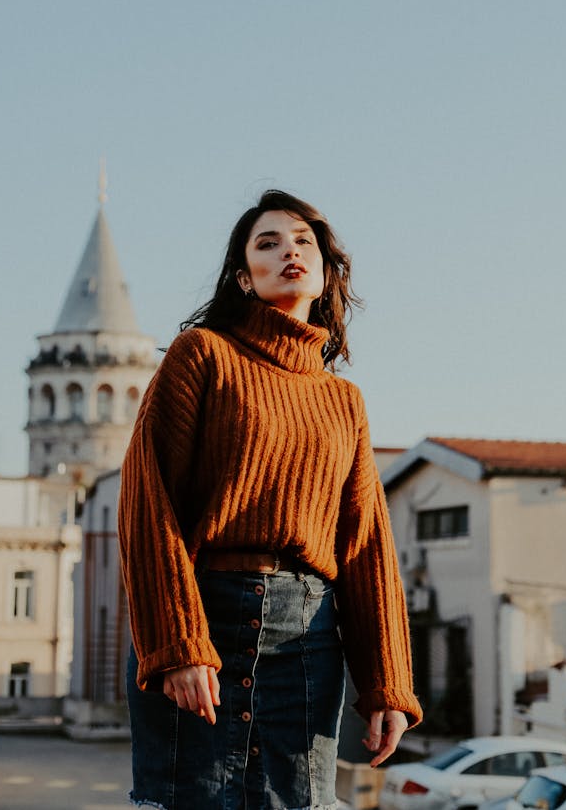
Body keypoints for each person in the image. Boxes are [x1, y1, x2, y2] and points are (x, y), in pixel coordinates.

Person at [118, 189, 422, 810]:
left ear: (325, 270)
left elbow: (366, 546)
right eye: (269, 242)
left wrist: (388, 682)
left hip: (307, 639)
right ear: (243, 276)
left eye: (303, 241)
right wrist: (177, 641)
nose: (290, 251)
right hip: (202, 616)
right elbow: (147, 501)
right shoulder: (201, 356)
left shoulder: (344, 401)